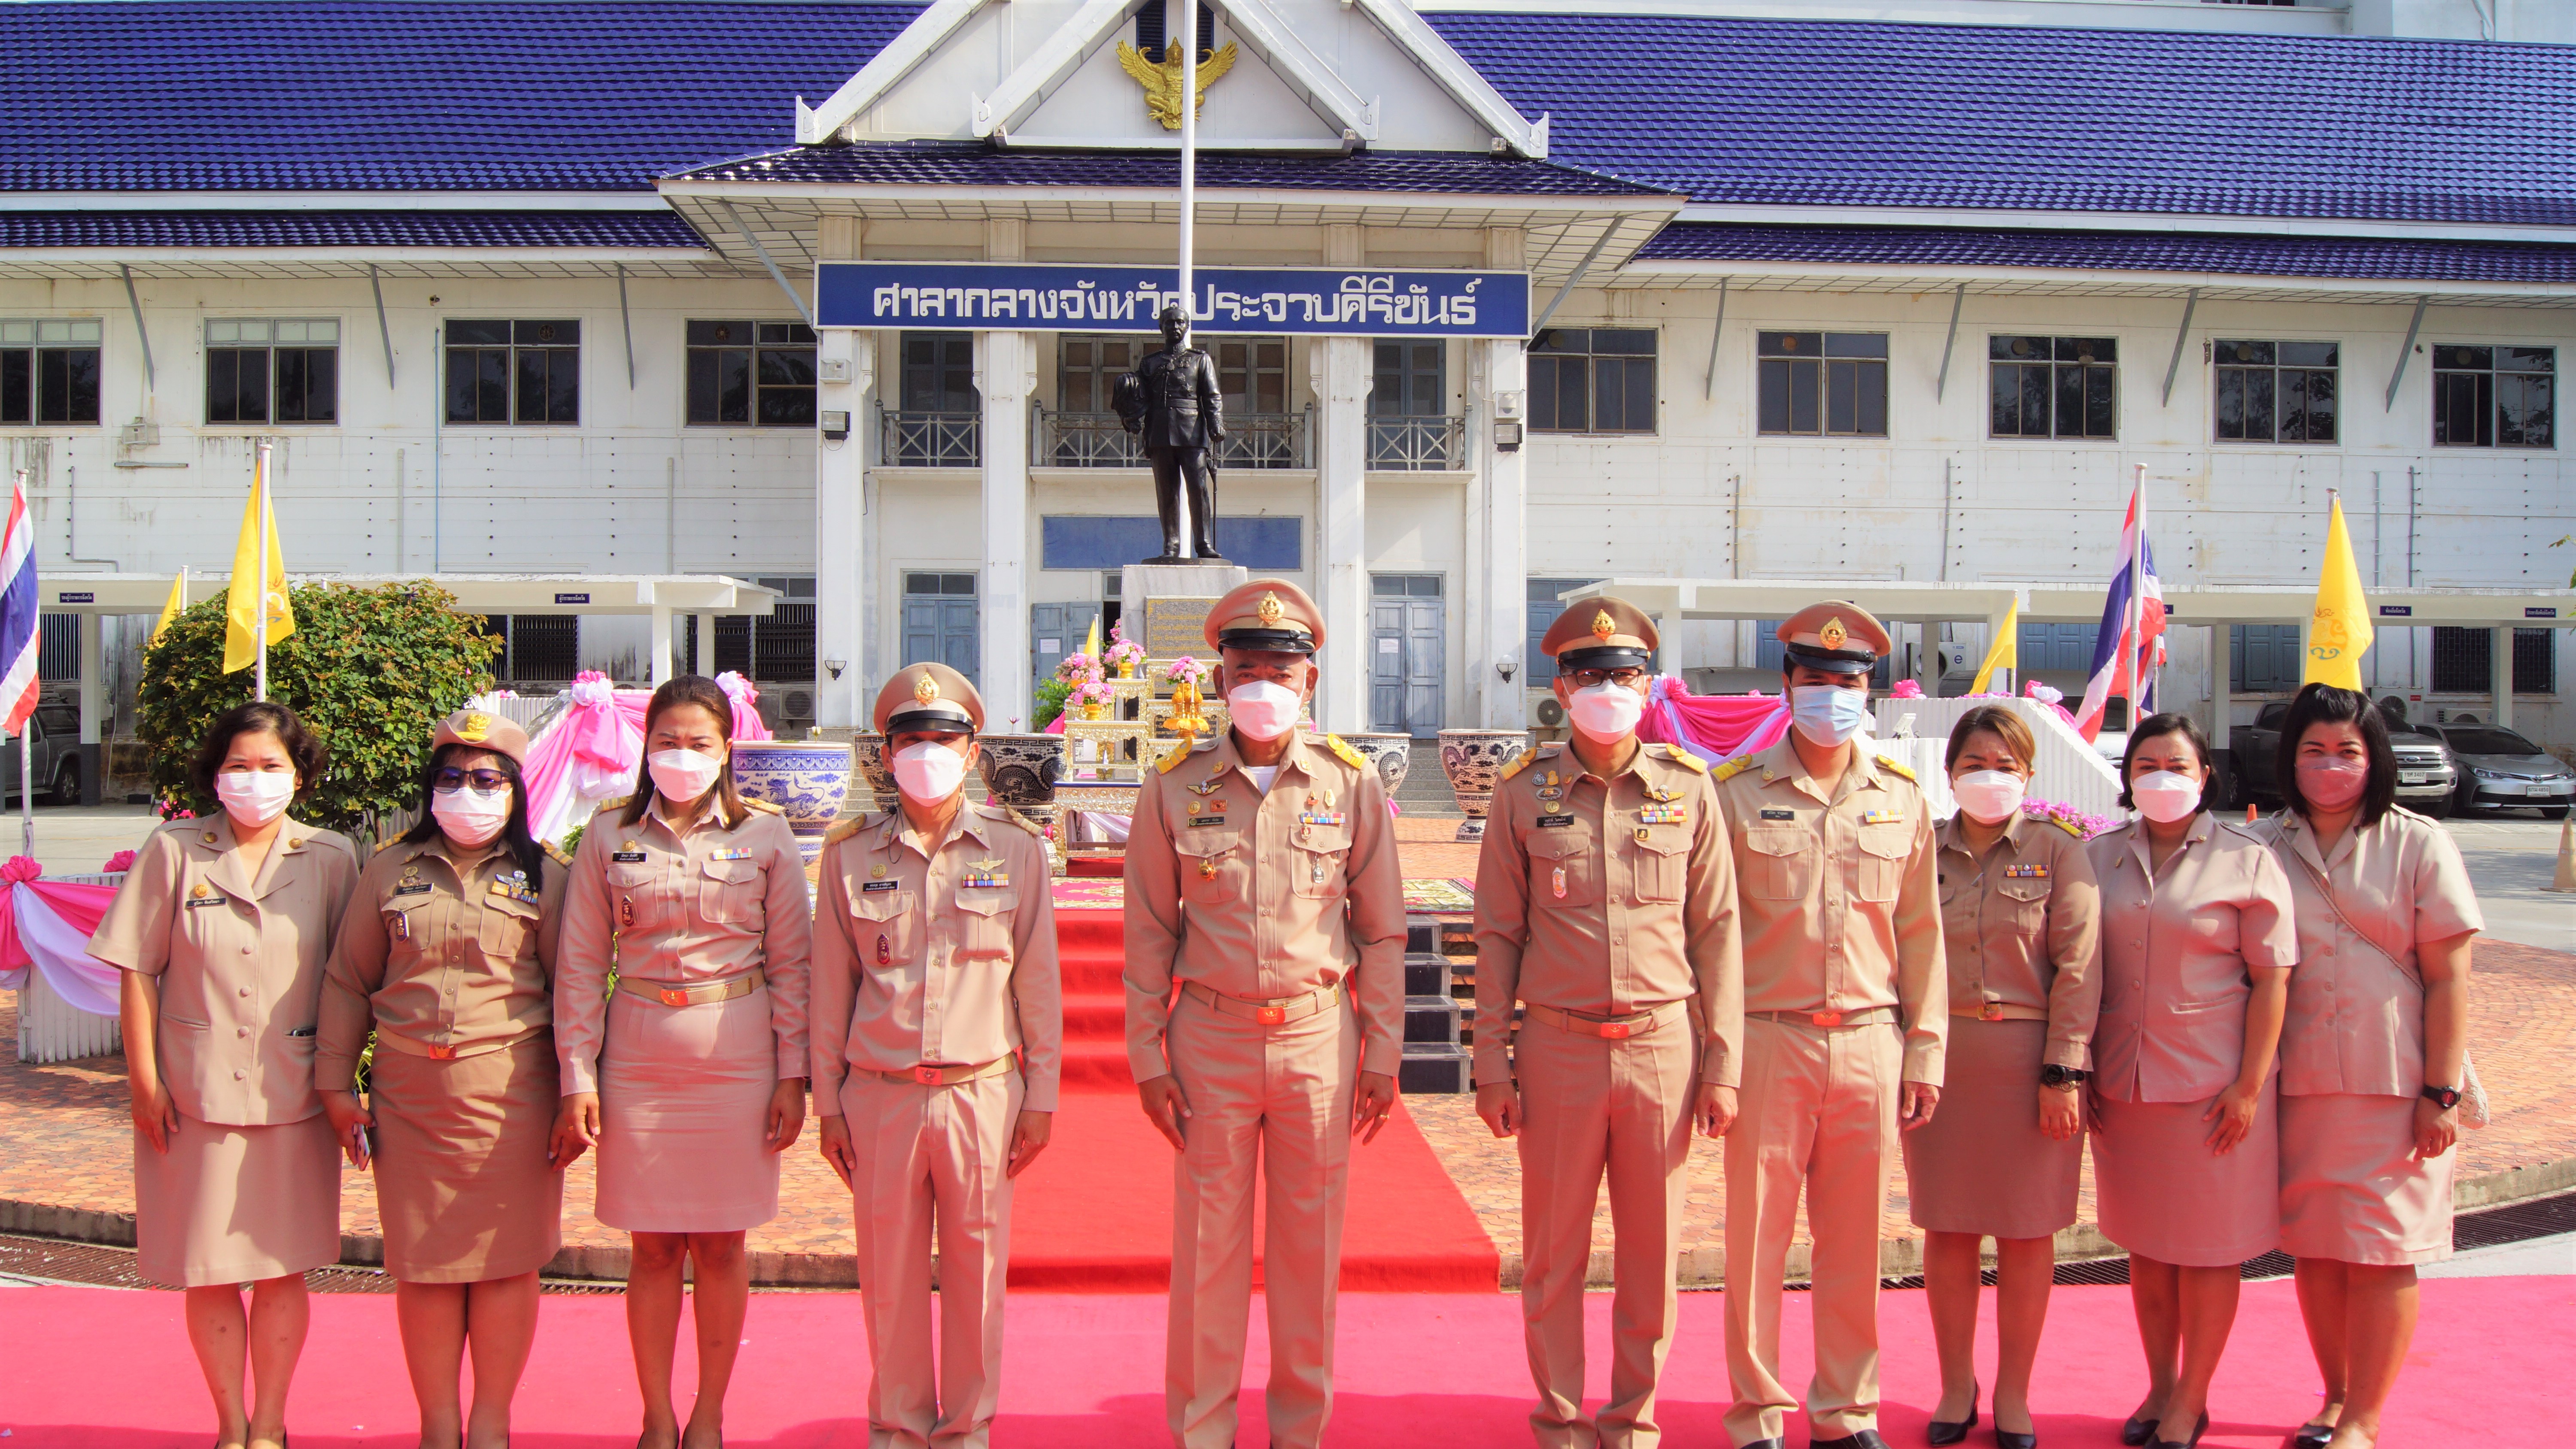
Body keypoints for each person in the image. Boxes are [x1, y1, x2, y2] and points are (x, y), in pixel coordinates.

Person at [1123, 578, 1406, 1449]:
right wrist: (1148, 1058)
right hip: (1209, 1036)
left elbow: (1383, 927)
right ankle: (1204, 1429)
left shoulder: (1351, 784)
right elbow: (1147, 932)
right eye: (1246, 668)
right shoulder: (1172, 786)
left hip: (1320, 1034)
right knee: (1208, 1252)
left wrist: (1383, 1051)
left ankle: (1298, 1431)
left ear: (1309, 682)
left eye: (1280, 670)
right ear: (1218, 680)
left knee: (1308, 1251)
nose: (1263, 684)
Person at [1470, 596, 1742, 1449]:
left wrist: (1725, 1061)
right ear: (1562, 685)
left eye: (1624, 675)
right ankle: (1559, 1415)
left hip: (1663, 1044)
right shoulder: (1524, 794)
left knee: (1652, 1253)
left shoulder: (1688, 789)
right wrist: (1491, 1061)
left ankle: (1632, 1419)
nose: (1608, 689)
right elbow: (1499, 932)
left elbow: (1719, 929)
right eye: (1591, 675)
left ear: (1649, 684)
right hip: (1557, 1045)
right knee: (1553, 1252)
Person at [89, 701, 363, 1449]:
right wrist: (143, 1083)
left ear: (300, 777)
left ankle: (271, 1425)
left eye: (271, 766)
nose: (254, 780)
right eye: (238, 766)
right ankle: (230, 1426)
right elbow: (138, 971)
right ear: (214, 773)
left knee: (283, 1271)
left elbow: (351, 980)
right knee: (208, 1270)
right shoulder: (175, 851)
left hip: (296, 1093)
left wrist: (343, 1085)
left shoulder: (333, 856)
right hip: (191, 1095)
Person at [551, 674, 813, 1449]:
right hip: (636, 1056)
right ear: (645, 746)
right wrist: (578, 1077)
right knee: (654, 1243)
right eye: (667, 741)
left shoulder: (765, 834)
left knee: (725, 1243)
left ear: (728, 747)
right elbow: (577, 965)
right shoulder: (608, 835)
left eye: (699, 743)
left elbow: (794, 965)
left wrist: (791, 1076)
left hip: (736, 1055)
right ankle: (658, 1416)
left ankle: (709, 1415)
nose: (682, 756)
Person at [1705, 600, 1944, 1449]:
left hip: (1871, 1040)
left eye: (1848, 682)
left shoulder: (1901, 798)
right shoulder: (1733, 793)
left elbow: (1920, 931)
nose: (1832, 693)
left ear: (1868, 690)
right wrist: (1720, 1056)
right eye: (1817, 680)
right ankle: (1759, 1414)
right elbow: (1716, 933)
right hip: (1770, 1034)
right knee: (1757, 1238)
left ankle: (1846, 1411)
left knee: (1854, 1246)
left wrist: (1926, 1047)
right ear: (1788, 684)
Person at [811, 662, 1064, 1449]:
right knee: (887, 1278)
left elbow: (1039, 981)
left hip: (982, 1092)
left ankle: (967, 1430)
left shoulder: (1017, 851)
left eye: (943, 739)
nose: (927, 752)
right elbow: (830, 987)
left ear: (974, 749)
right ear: (885, 755)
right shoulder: (849, 854)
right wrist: (827, 1103)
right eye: (911, 739)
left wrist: (1043, 1096)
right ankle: (897, 1427)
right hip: (880, 1094)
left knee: (978, 1274)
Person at [315, 709, 568, 1449]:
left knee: (506, 1265)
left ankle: (491, 1422)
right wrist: (336, 1086)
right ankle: (437, 1427)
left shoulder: (546, 876)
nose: (469, 793)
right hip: (411, 1098)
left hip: (515, 1098)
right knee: (424, 1269)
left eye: (487, 779)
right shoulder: (389, 870)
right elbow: (346, 982)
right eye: (452, 779)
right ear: (431, 789)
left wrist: (578, 1097)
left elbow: (575, 992)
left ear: (516, 790)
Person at [2257, 684, 2479, 1449]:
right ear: (2291, 760)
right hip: (2301, 1082)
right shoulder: (2268, 846)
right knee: (2317, 1248)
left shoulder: (2418, 843)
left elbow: (2450, 977)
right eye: (2313, 750)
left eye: (2347, 751)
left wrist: (2440, 1092)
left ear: (2375, 758)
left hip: (2395, 1083)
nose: (2330, 765)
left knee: (2383, 1253)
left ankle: (2366, 1419)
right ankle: (2334, 1397)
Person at [2084, 714, 2296, 1449]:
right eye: (2146, 765)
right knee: (2146, 1249)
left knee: (2208, 1251)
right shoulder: (2098, 858)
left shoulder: (2247, 858)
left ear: (2205, 775)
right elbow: (2079, 974)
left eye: (2177, 764)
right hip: (2124, 1086)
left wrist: (2249, 1085)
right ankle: (2161, 1385)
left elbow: (2273, 982)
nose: (2162, 778)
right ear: (2128, 777)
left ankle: (2193, 1398)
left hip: (2215, 1091)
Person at [1902, 704, 2102, 1449]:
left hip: (2031, 1065)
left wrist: (2065, 1071)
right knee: (1948, 1231)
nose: (1989, 777)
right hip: (1942, 1062)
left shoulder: (2059, 851)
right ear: (1950, 774)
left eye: (2005, 765)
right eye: (1974, 764)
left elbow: (2080, 966)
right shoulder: (1922, 847)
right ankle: (1957, 1384)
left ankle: (2015, 1392)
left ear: (2028, 774)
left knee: (2026, 1236)